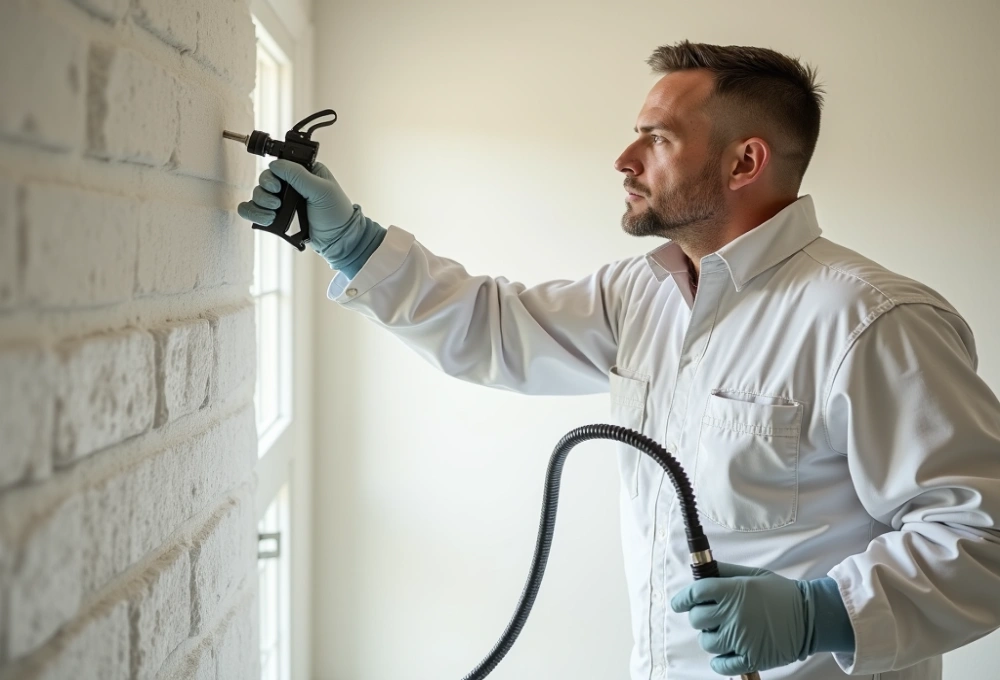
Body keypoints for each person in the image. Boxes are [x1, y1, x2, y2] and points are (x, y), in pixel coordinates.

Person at [238, 41, 1000, 679]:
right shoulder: (643, 292)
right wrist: (353, 243)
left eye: (658, 138)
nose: (624, 158)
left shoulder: (871, 320)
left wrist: (820, 614)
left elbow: (984, 535)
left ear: (745, 162)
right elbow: (498, 329)